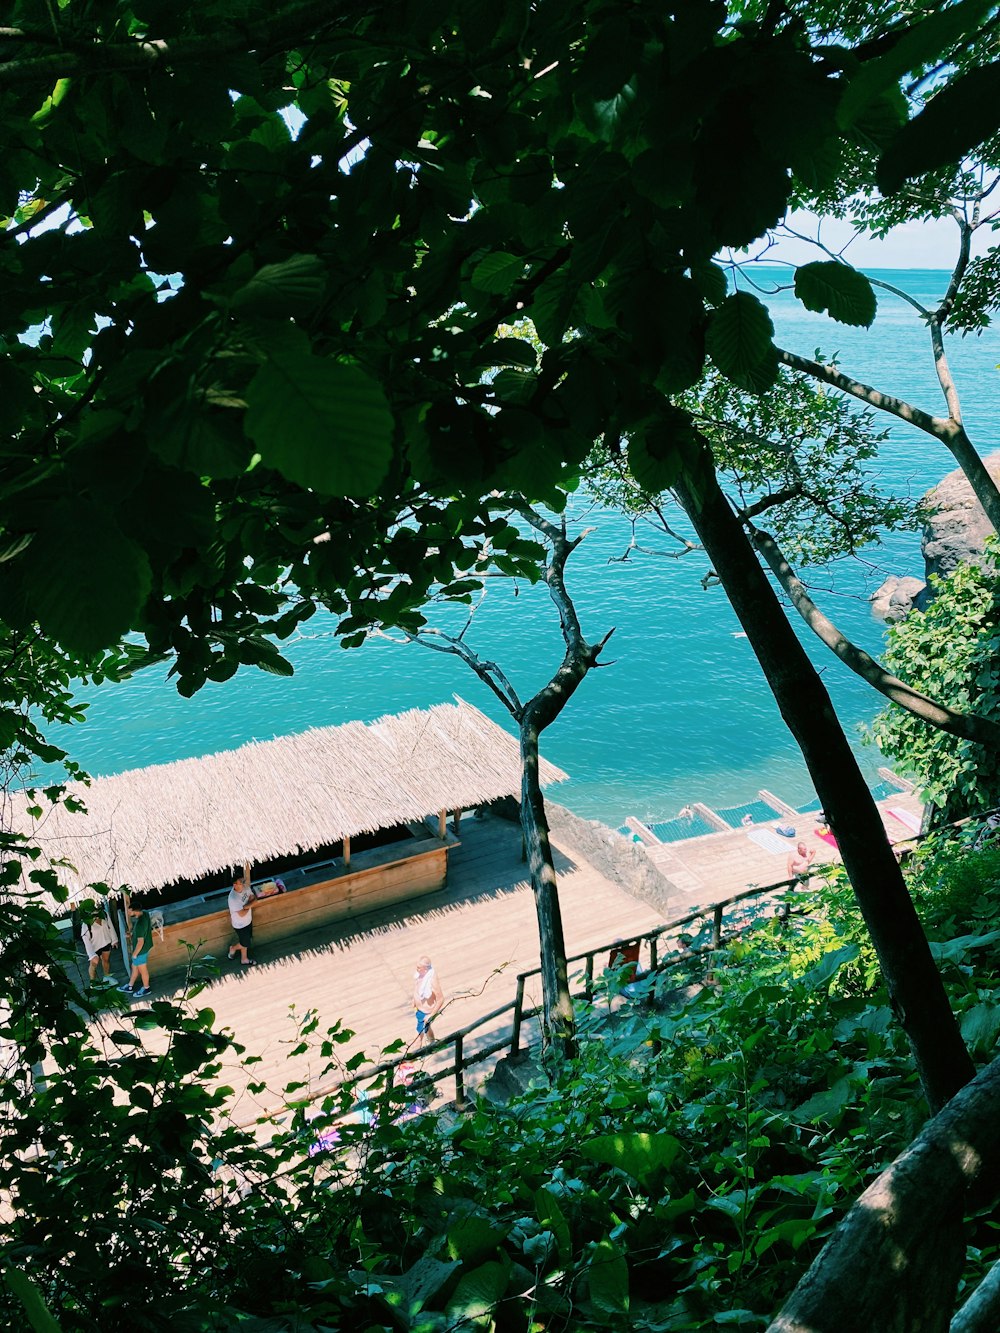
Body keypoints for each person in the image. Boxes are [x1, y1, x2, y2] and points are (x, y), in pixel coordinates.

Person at [119, 901, 154, 997]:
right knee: (134, 967)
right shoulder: (145, 914)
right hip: (146, 947)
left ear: (136, 911)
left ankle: (146, 988)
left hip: (140, 951)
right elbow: (142, 933)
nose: (129, 913)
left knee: (143, 970)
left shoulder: (139, 925)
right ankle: (130, 986)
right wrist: (131, 934)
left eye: (130, 911)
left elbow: (140, 942)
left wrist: (134, 954)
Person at [412, 955, 444, 1049]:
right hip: (419, 1009)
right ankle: (433, 1045)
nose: (416, 969)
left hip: (426, 1013)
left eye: (418, 967)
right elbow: (417, 987)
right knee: (427, 1029)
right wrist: (414, 1000)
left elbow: (441, 999)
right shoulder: (420, 975)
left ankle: (411, 1058)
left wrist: (431, 1015)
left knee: (418, 1036)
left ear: (425, 969)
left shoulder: (432, 981)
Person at [227, 864, 256, 966]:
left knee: (246, 941)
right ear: (235, 885)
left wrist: (246, 906)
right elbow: (242, 914)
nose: (243, 884)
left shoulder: (245, 887)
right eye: (241, 883)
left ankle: (244, 959)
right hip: (239, 924)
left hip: (248, 920)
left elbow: (253, 898)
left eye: (243, 881)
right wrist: (249, 905)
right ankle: (233, 948)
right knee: (245, 943)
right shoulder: (233, 898)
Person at [81, 908, 118, 985]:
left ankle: (106, 977)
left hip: (106, 942)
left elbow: (110, 926)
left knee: (106, 960)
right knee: (94, 964)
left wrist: (114, 940)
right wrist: (91, 955)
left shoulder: (104, 914)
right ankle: (93, 983)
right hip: (94, 946)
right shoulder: (86, 923)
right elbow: (86, 940)